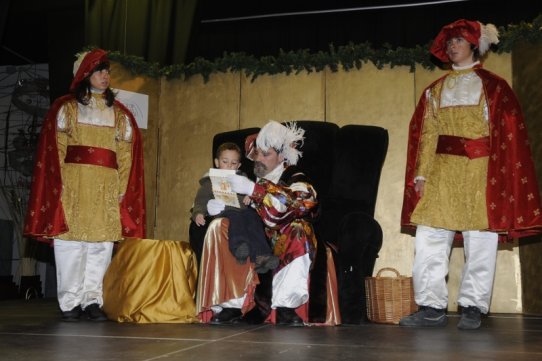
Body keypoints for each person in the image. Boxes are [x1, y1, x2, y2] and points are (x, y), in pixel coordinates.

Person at [400, 20, 542, 330]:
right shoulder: (435, 90)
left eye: (459, 41)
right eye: (449, 42)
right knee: (429, 238)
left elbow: (509, 138)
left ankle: (473, 307)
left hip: (481, 171)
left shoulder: (494, 87)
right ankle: (430, 306)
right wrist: (421, 175)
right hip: (442, 171)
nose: (452, 46)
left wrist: (501, 177)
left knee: (481, 240)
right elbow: (427, 133)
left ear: (474, 46)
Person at [24, 49, 146, 322]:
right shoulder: (66, 108)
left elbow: (125, 154)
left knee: (101, 247)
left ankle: (92, 300)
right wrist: (61, 187)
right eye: (99, 71)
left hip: (106, 186)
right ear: (85, 74)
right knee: (72, 245)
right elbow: (55, 150)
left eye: (107, 71)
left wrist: (122, 188)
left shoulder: (120, 114)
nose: (105, 76)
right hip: (74, 185)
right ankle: (70, 302)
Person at [196, 121, 340, 326]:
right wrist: (211, 209)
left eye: (266, 154)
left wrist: (255, 191)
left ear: (281, 157)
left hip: (283, 237)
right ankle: (230, 304)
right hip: (251, 237)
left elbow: (303, 201)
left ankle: (285, 307)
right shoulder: (243, 176)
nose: (259, 159)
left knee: (299, 229)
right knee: (221, 227)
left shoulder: (294, 176)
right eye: (257, 153)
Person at [191, 142, 279, 273]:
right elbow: (200, 201)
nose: (229, 166)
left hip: (244, 210)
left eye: (233, 163)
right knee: (235, 216)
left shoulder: (241, 179)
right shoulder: (209, 182)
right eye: (225, 161)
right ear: (217, 162)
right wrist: (198, 213)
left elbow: (249, 193)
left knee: (254, 218)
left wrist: (250, 197)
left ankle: (262, 256)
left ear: (238, 165)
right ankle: (239, 247)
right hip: (224, 211)